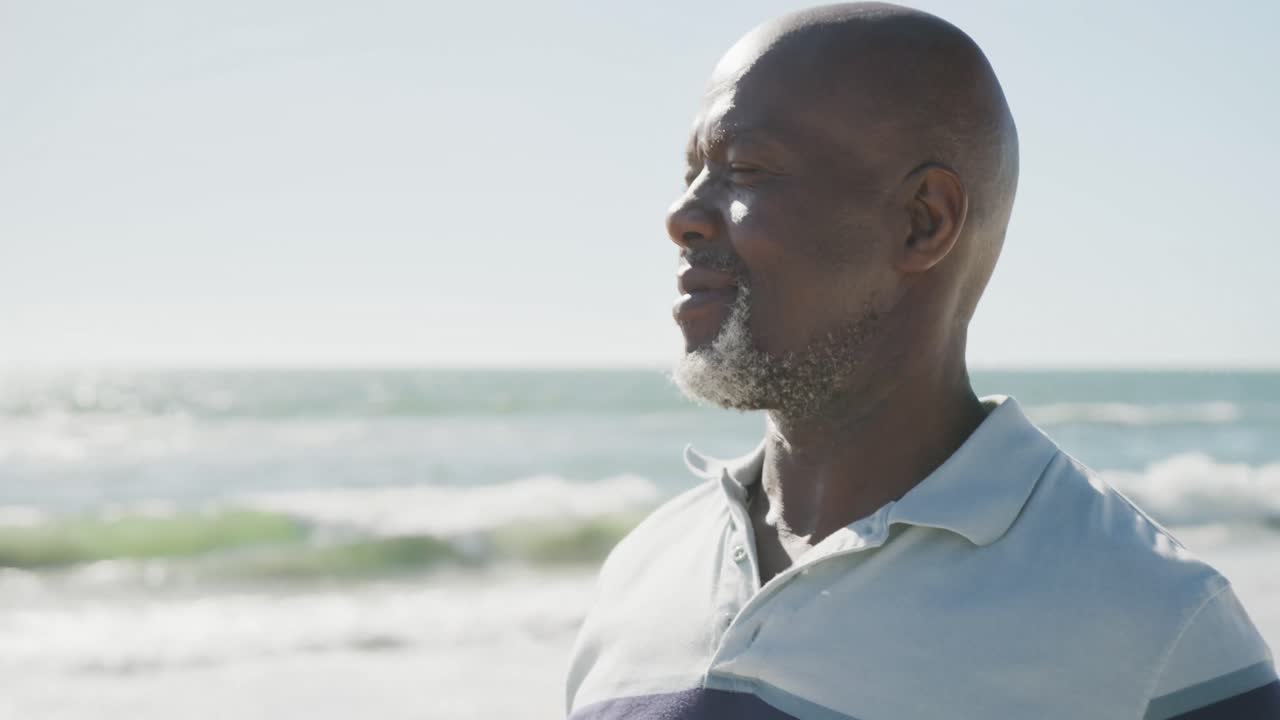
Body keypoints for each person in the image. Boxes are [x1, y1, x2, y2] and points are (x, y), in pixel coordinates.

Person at [564, 3, 1278, 719]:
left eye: (744, 170)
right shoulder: (643, 571)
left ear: (923, 221)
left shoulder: (1158, 627)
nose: (681, 216)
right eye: (693, 172)